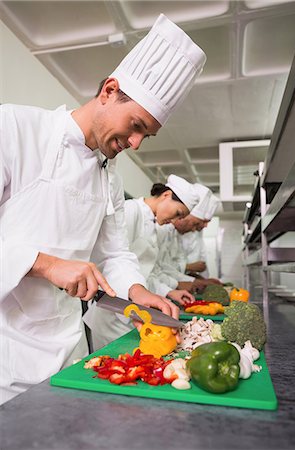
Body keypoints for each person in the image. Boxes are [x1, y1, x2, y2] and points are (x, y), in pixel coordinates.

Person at [0, 14, 206, 404]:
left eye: (146, 133)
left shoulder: (108, 173)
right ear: (110, 90)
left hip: (71, 353)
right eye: (136, 125)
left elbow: (113, 252)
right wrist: (44, 263)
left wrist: (137, 290)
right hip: (6, 360)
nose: (136, 142)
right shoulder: (14, 128)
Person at [84, 175, 204, 349]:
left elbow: (148, 271)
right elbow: (112, 258)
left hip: (135, 308)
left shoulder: (154, 224)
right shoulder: (131, 210)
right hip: (112, 311)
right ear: (166, 195)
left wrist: (168, 291)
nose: (176, 221)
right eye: (178, 213)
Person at [151, 191, 222, 293]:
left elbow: (162, 268)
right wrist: (177, 284)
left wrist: (193, 280)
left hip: (162, 288)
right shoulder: (159, 227)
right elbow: (154, 268)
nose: (194, 230)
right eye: (195, 224)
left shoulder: (173, 233)